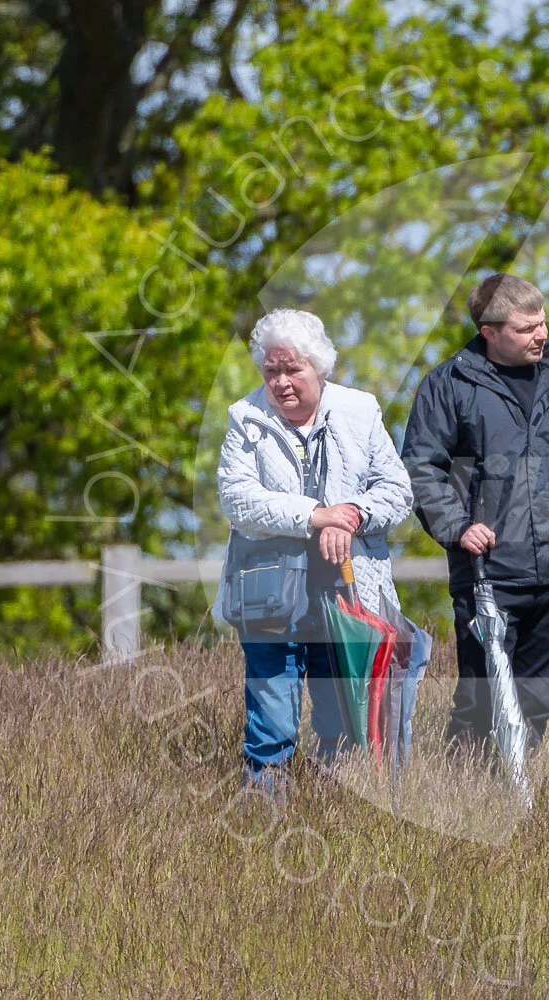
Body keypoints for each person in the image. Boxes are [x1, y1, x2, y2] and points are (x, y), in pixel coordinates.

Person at [401, 273, 549, 751]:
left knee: (537, 704)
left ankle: (510, 787)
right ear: (490, 332)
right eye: (526, 328)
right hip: (487, 573)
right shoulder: (448, 385)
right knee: (481, 705)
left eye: (543, 323)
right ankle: (464, 787)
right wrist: (457, 527)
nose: (542, 334)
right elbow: (421, 469)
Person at [213, 308, 414, 783]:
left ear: (319, 368)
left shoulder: (360, 411)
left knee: (343, 725)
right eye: (271, 371)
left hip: (346, 596)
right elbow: (238, 499)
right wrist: (316, 516)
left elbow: (397, 491)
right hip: (268, 596)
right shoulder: (245, 418)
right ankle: (261, 813)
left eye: (292, 369)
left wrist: (354, 515)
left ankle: (330, 814)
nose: (280, 382)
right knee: (272, 727)